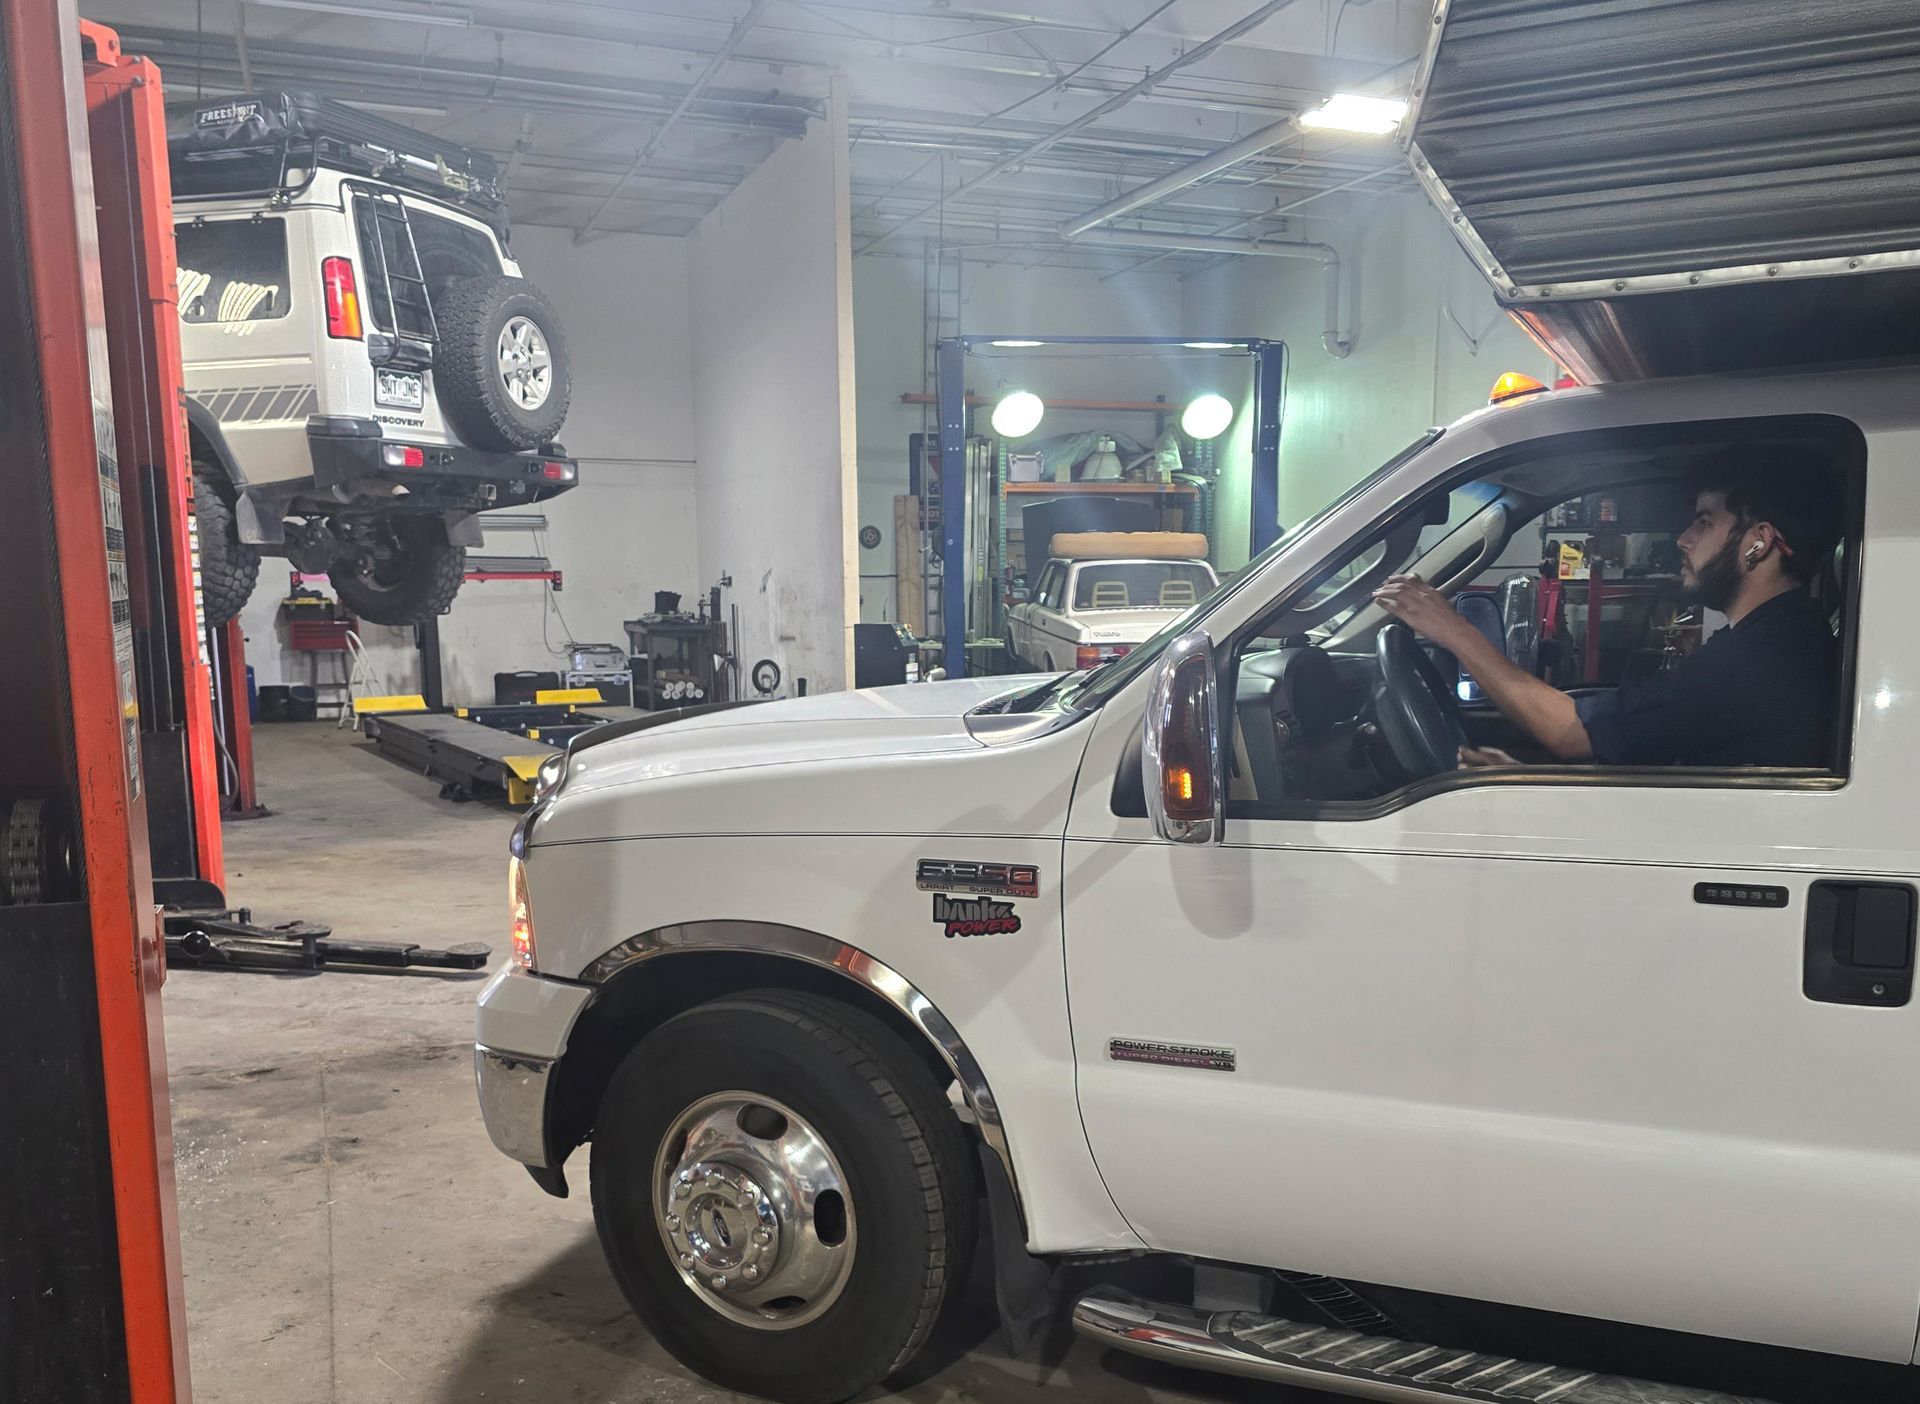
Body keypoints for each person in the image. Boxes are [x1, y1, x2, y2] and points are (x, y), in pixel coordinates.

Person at [1371, 450, 1841, 768]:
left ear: (1758, 542)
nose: (1683, 539)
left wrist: (1452, 629)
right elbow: (1662, 754)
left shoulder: (1762, 657)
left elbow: (1572, 734)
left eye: (1704, 522)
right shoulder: (1778, 635)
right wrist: (1528, 779)